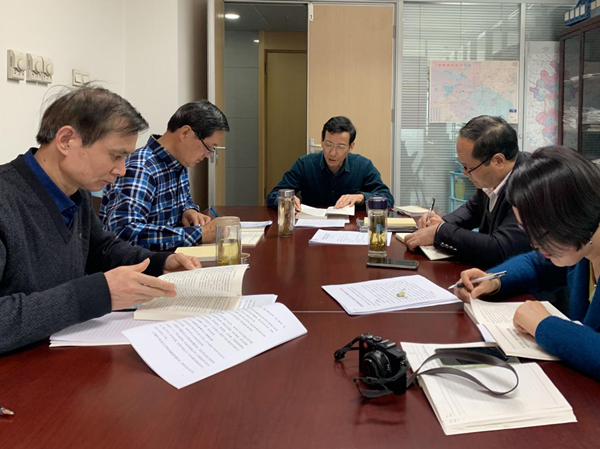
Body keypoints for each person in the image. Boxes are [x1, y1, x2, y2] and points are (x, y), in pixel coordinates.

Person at [0, 86, 201, 354]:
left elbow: (100, 250)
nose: (122, 170)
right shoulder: (6, 199)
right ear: (66, 140)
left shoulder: (76, 191)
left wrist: (158, 263)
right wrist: (97, 294)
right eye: (116, 156)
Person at [454, 146, 600, 381]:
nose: (534, 243)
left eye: (540, 233)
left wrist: (544, 326)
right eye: (526, 230)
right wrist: (494, 280)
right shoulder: (582, 245)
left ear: (572, 217)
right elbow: (538, 263)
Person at [100, 100, 229, 251]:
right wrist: (199, 234)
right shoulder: (141, 168)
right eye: (209, 147)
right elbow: (124, 233)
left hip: (170, 255)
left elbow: (185, 201)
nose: (208, 155)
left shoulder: (179, 161)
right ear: (185, 133)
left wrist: (189, 211)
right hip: (141, 261)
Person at [404, 115, 530, 267]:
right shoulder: (493, 176)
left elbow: (500, 248)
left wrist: (441, 232)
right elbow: (473, 210)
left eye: (469, 167)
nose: (465, 173)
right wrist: (441, 222)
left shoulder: (530, 184)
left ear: (498, 161)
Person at [266, 116, 394, 211]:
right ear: (322, 142)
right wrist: (285, 200)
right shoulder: (304, 164)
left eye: (341, 147)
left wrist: (361, 197)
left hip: (350, 230)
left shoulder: (363, 166)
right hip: (311, 228)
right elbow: (273, 196)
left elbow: (387, 198)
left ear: (351, 146)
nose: (332, 153)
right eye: (328, 144)